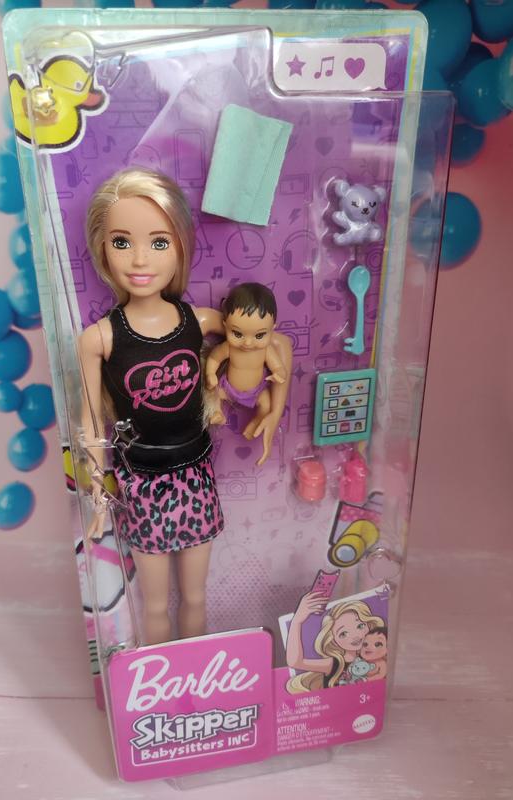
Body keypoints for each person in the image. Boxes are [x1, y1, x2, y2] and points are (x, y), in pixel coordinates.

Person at [79, 167, 291, 645]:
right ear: (102, 247)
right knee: (155, 604)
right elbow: (90, 421)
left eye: (159, 242)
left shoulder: (197, 321)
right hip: (141, 482)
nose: (139, 259)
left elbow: (273, 344)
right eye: (121, 242)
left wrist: (274, 409)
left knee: (195, 597)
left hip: (195, 475)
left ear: (180, 246)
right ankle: (162, 679)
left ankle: (196, 678)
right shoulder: (100, 338)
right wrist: (96, 493)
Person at [205, 283, 289, 466]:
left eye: (259, 335)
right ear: (225, 326)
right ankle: (218, 412)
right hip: (229, 388)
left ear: (272, 328)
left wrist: (279, 375)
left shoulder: (266, 350)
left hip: (256, 391)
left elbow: (279, 368)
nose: (248, 343)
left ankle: (256, 422)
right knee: (214, 392)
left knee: (266, 404)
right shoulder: (228, 348)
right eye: (237, 333)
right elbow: (214, 358)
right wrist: (211, 374)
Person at [286, 595, 385, 692]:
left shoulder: (373, 656)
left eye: (360, 626)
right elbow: (295, 662)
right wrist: (296, 621)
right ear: (334, 640)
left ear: (369, 625)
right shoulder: (334, 664)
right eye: (343, 634)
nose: (355, 635)